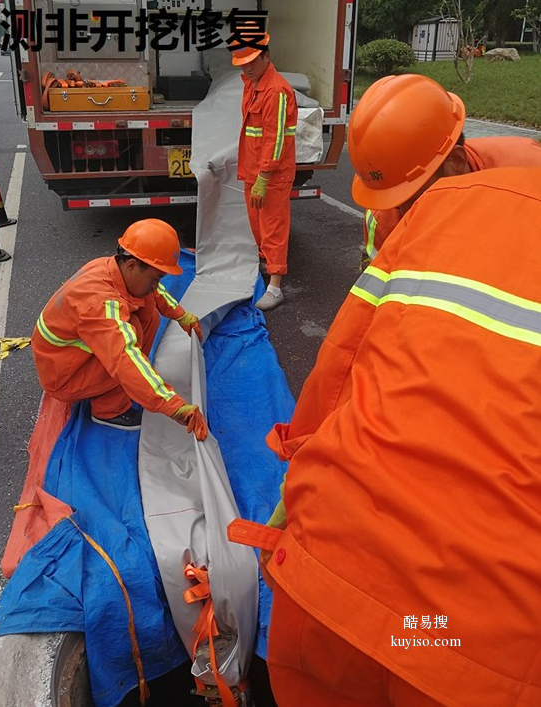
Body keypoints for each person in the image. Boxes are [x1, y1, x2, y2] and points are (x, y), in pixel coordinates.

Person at [235, 75, 541, 707]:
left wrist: (300, 491)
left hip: (322, 603)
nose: (402, 207)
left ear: (455, 154)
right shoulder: (425, 209)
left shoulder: (434, 214)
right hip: (472, 657)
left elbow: (335, 372)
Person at [31, 219, 208, 439]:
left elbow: (155, 292)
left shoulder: (110, 267)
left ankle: (132, 385)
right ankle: (109, 410)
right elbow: (125, 357)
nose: (156, 285)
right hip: (64, 376)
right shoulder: (100, 305)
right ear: (132, 265)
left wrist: (180, 315)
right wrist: (173, 406)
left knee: (148, 311)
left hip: (67, 358)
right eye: (155, 278)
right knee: (131, 340)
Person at [358, 74, 541, 265]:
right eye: (394, 197)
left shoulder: (530, 171)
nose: (403, 209)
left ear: (455, 161)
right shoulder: (385, 216)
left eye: (411, 195)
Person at [232, 28, 298, 311]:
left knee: (273, 228)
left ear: (266, 57)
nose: (247, 67)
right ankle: (266, 264)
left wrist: (264, 176)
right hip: (254, 169)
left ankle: (275, 285)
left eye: (252, 61)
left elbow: (276, 137)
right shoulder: (252, 83)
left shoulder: (277, 90)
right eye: (242, 63)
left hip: (270, 174)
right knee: (258, 225)